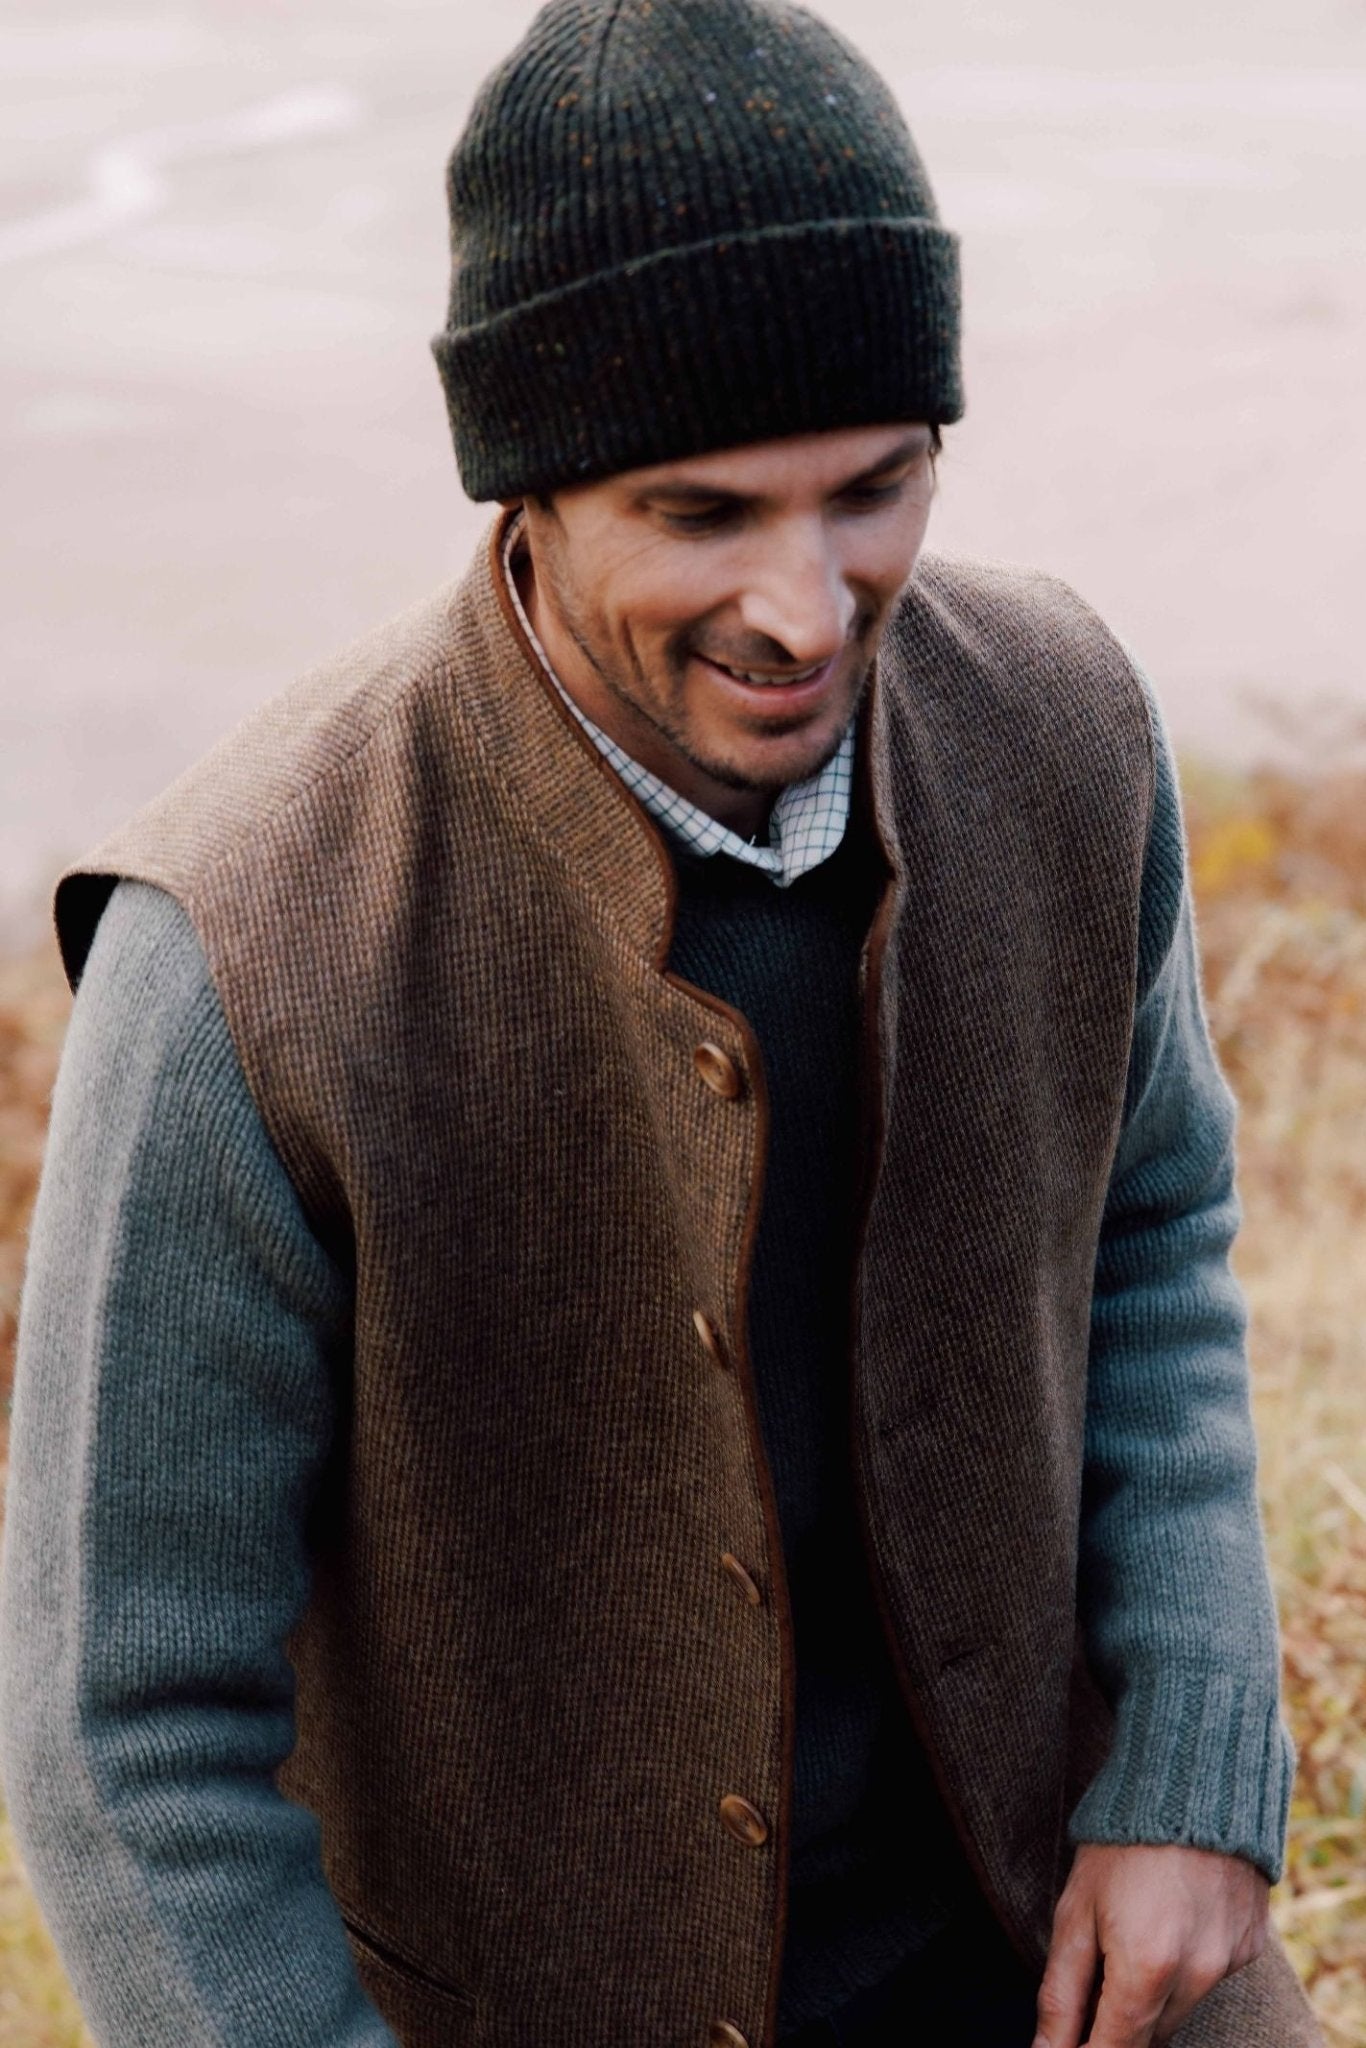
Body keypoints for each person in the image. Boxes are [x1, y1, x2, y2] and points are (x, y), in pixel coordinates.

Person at [0, 3, 1323, 2045]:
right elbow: (127, 1736)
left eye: (873, 488)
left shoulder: (1065, 730)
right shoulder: (233, 953)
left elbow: (1143, 1236)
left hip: (1079, 1948)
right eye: (699, 515)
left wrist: (1186, 1770)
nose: (804, 607)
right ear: (525, 483)